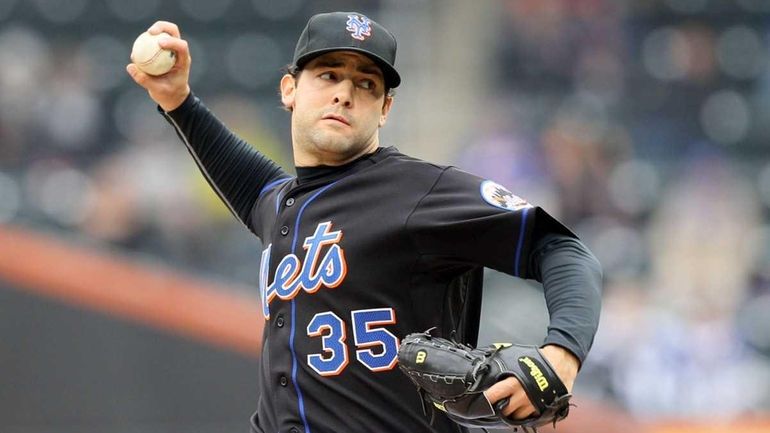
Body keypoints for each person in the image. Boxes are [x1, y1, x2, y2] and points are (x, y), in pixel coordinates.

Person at [126, 11, 602, 433]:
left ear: (385, 109)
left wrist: (561, 353)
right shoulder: (284, 205)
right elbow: (248, 180)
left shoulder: (419, 192)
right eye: (328, 75)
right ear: (290, 89)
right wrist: (178, 101)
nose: (345, 95)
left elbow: (562, 250)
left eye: (366, 84)